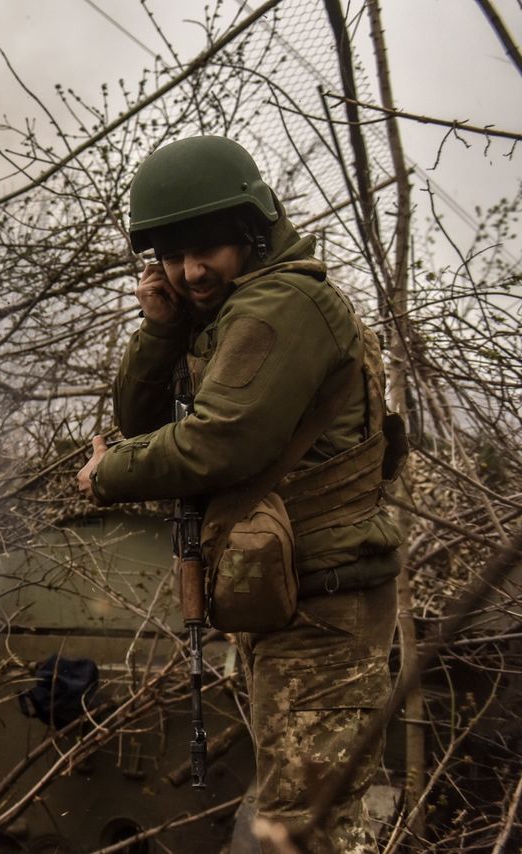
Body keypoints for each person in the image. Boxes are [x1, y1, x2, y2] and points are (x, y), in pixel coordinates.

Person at [76, 136, 403, 853]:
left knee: (305, 831)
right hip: (296, 605)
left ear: (252, 232)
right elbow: (142, 422)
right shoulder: (231, 311)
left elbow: (216, 445)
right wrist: (161, 331)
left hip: (328, 611)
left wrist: (111, 474)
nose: (189, 271)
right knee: (300, 821)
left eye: (207, 250)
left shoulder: (279, 307)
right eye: (170, 255)